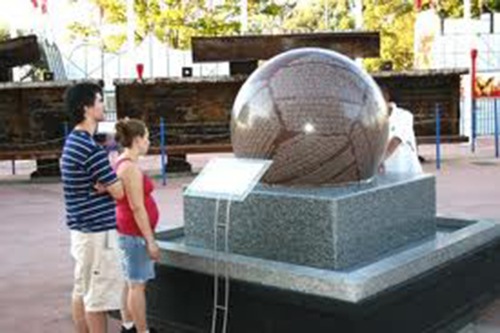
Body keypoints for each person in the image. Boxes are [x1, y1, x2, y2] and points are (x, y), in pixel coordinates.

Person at [61, 82, 135, 333]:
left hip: (81, 230)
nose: (104, 105)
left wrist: (107, 182)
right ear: (87, 107)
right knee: (97, 298)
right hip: (97, 233)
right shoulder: (91, 149)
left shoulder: (73, 142)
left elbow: (106, 184)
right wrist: (112, 182)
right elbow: (119, 191)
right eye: (100, 100)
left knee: (82, 289)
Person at [114, 118, 160, 333]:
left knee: (130, 281)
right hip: (134, 233)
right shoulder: (129, 168)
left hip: (129, 232)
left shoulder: (123, 162)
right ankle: (142, 331)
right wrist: (150, 240)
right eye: (147, 138)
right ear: (137, 139)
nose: (149, 142)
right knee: (137, 285)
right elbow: (137, 207)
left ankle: (128, 325)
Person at [380, 86, 423, 175]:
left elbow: (395, 141)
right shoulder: (372, 120)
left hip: (408, 174)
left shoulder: (404, 116)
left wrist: (378, 161)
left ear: (386, 97)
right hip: (386, 175)